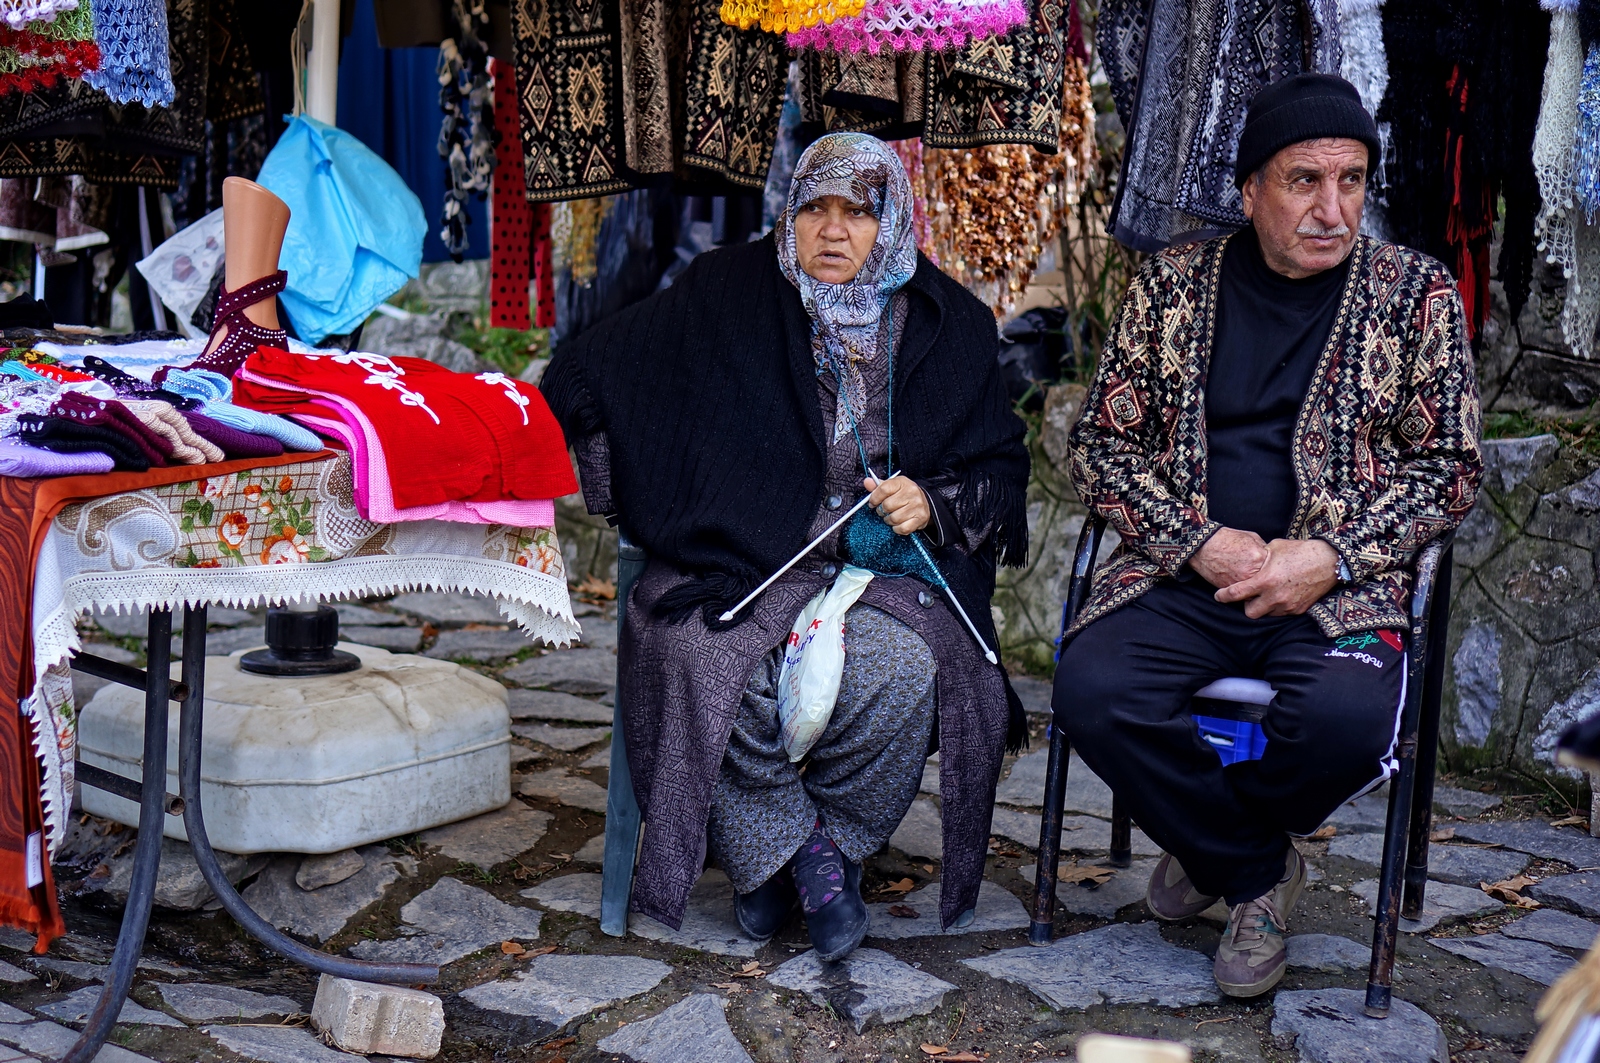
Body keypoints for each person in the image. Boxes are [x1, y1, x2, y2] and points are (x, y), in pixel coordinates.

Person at [542, 133, 1030, 962]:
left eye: (858, 213)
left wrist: (935, 501)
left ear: (894, 222)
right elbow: (585, 374)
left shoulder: (953, 326)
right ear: (790, 214)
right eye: (815, 209)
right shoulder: (725, 290)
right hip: (743, 557)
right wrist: (659, 488)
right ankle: (798, 861)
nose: (833, 232)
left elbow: (999, 466)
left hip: (882, 566)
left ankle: (813, 852)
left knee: (910, 667)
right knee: (696, 655)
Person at [1055, 73, 1483, 998]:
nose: (1334, 209)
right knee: (1092, 691)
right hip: (1181, 579)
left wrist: (1326, 556)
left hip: (1339, 589)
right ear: (1249, 190)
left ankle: (1212, 847)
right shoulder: (1171, 285)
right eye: (1304, 182)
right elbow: (1099, 445)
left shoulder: (1415, 296)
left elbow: (1451, 465)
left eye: (1353, 180)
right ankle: (1255, 871)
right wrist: (1196, 541)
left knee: (1343, 721)